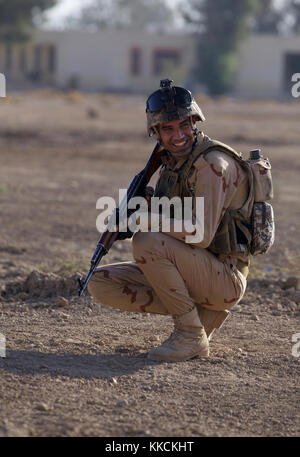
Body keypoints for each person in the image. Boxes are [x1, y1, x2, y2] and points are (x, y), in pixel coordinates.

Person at [88, 79, 252, 362]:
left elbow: (200, 234)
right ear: (156, 132)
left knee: (147, 241)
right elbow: (178, 218)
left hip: (225, 278)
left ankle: (190, 335)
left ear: (194, 122)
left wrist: (144, 218)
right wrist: (142, 209)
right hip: (195, 268)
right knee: (100, 283)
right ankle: (201, 316)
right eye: (167, 128)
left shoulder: (212, 164)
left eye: (183, 125)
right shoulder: (172, 162)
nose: (178, 135)